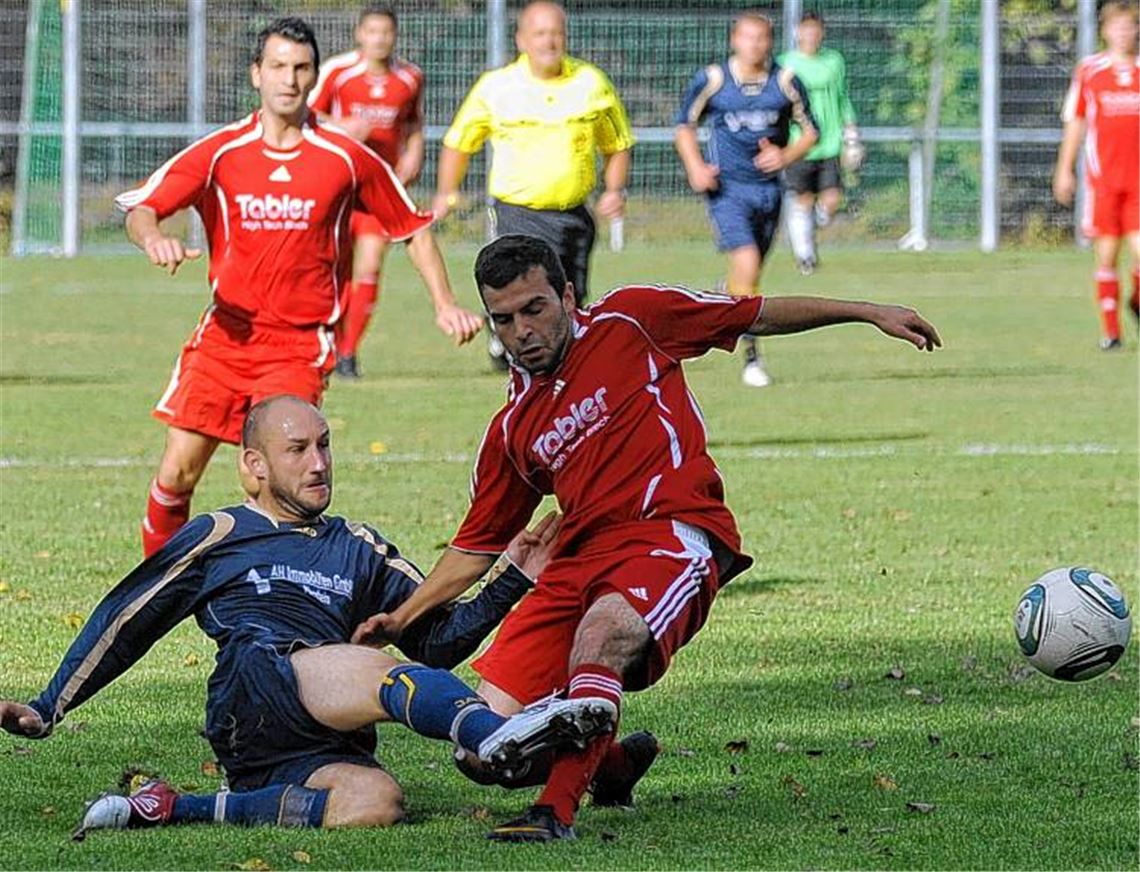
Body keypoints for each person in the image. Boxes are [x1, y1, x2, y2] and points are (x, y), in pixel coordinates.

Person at [352, 234, 942, 841]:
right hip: (576, 564)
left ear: (568, 295)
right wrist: (403, 618)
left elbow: (752, 312)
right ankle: (613, 766)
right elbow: (476, 546)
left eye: (535, 309)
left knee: (601, 636)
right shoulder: (513, 429)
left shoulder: (633, 320)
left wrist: (867, 311)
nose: (521, 331)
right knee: (487, 750)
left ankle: (553, 814)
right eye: (503, 319)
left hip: (669, 533)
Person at [0, 395, 617, 837]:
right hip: (256, 683)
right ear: (254, 466)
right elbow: (129, 616)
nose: (318, 462)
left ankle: (171, 808)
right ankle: (493, 736)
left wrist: (511, 578)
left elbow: (437, 645)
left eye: (324, 445)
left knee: (376, 803)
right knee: (376, 670)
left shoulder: (357, 544)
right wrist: (51, 703)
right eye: (297, 449)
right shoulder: (223, 531)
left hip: (319, 729)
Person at [116, 16, 483, 558]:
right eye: (278, 67)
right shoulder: (222, 151)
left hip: (297, 345)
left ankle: (274, 600)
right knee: (177, 472)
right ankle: (155, 595)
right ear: (256, 74)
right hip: (225, 338)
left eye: (301, 67)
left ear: (314, 76)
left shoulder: (344, 156)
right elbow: (142, 207)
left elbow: (412, 225)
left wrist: (445, 304)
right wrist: (152, 239)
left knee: (281, 485)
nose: (289, 78)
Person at [433, 0, 634, 362]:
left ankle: (515, 339)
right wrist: (447, 193)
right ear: (521, 39)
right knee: (536, 290)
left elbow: (617, 145)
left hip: (574, 215)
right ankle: (532, 359)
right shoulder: (497, 87)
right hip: (517, 212)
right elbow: (458, 142)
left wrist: (614, 190)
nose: (549, 42)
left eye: (556, 33)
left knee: (572, 295)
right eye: (540, 33)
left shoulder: (591, 83)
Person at [675, 10, 819, 389]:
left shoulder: (785, 82)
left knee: (749, 277)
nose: (754, 45)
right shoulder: (715, 80)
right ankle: (752, 357)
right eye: (747, 37)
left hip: (769, 192)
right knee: (748, 263)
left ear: (771, 42)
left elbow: (811, 132)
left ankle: (724, 299)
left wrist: (784, 157)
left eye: (762, 38)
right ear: (734, 40)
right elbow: (684, 126)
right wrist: (696, 167)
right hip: (728, 192)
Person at [309, 5, 428, 379]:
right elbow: (306, 116)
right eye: (372, 31)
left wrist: (414, 153)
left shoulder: (409, 77)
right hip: (340, 188)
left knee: (370, 265)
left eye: (386, 32)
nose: (379, 39)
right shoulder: (338, 72)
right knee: (335, 270)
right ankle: (325, 344)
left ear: (394, 36)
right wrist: (343, 125)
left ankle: (348, 353)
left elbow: (414, 123)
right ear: (360, 34)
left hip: (381, 190)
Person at [1053, 1, 1140, 350]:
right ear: (1105, 31)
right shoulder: (1090, 71)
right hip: (1104, 182)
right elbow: (1076, 121)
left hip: (1139, 183)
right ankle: (1112, 332)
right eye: (1117, 26)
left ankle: (1135, 302)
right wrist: (1064, 169)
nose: (1123, 32)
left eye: (1130, 26)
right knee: (1106, 256)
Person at [778, 10, 863, 276]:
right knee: (802, 199)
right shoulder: (785, 63)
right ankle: (805, 256)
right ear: (798, 32)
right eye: (807, 30)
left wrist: (851, 134)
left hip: (829, 143)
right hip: (799, 143)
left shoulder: (834, 61)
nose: (811, 35)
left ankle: (804, 227)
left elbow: (842, 97)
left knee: (831, 200)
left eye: (816, 30)